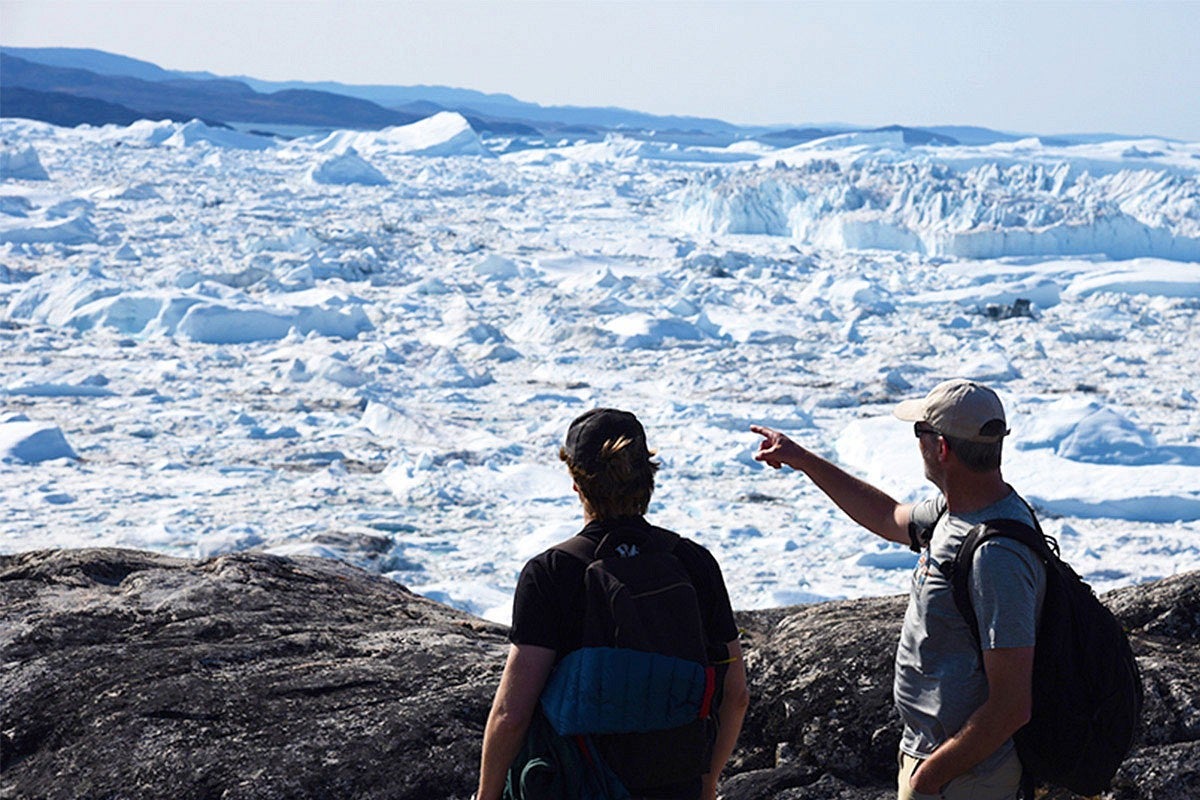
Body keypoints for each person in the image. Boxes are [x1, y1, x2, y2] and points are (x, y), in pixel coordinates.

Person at [752, 379, 1045, 800]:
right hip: (944, 764)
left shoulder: (996, 554)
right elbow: (889, 516)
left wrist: (929, 778)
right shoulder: (956, 511)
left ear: (941, 448)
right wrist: (804, 460)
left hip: (967, 778)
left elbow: (1012, 704)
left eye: (920, 433)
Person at [476, 408, 750, 800]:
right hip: (676, 785)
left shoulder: (552, 571)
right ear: (648, 474)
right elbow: (736, 695)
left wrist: (486, 796)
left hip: (578, 785)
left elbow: (511, 714)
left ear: (576, 482)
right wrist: (706, 784)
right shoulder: (694, 562)